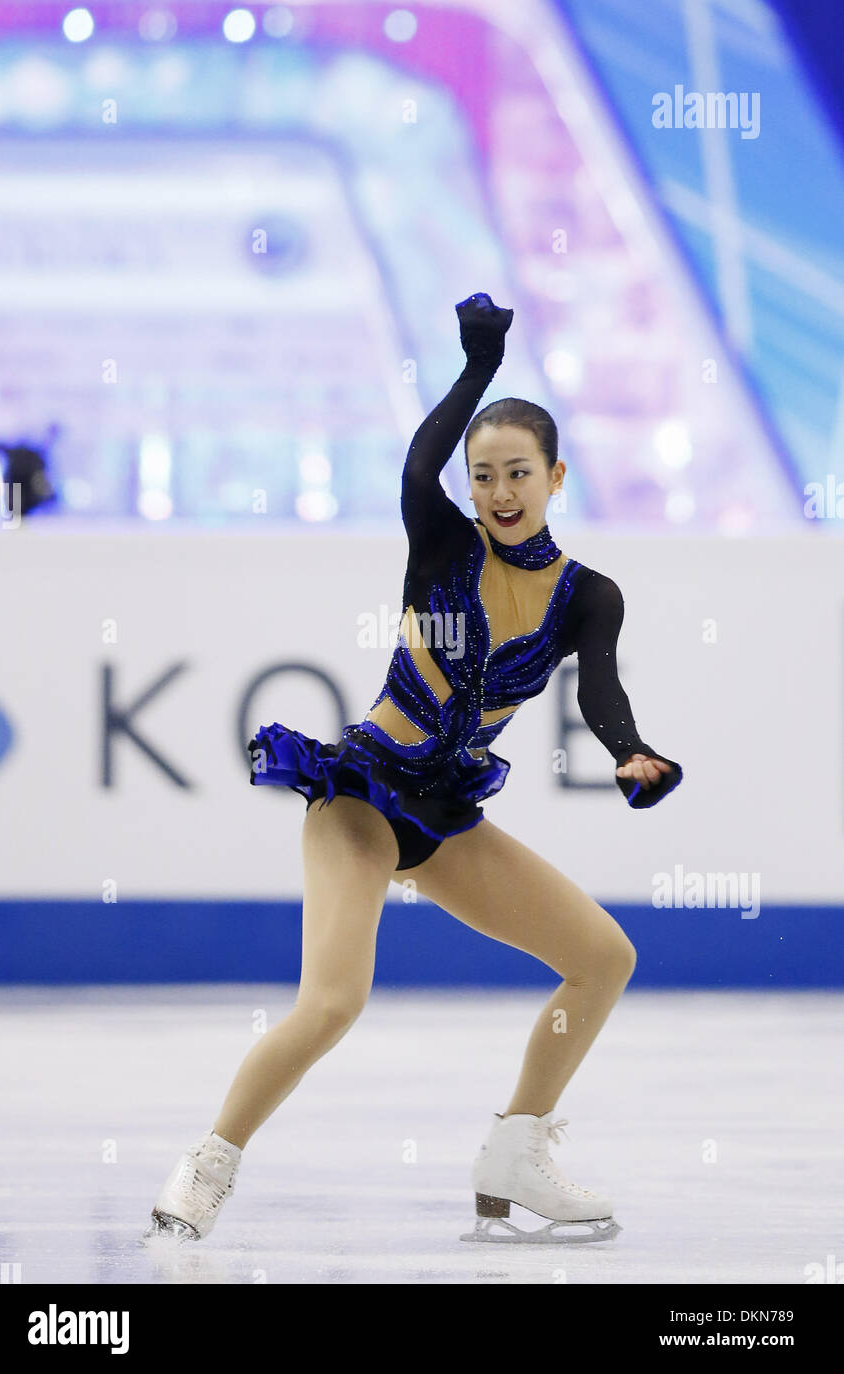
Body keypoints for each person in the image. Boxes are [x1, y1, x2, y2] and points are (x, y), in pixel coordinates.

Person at [144, 292, 682, 1246]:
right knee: (335, 1001)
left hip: (444, 820)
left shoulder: (588, 596)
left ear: (556, 475)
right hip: (361, 798)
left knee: (603, 959)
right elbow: (413, 464)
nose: (501, 491)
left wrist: (629, 752)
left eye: (519, 472)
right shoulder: (441, 543)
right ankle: (207, 1165)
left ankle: (515, 1152)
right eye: (485, 476)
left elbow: (599, 692)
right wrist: (475, 369)